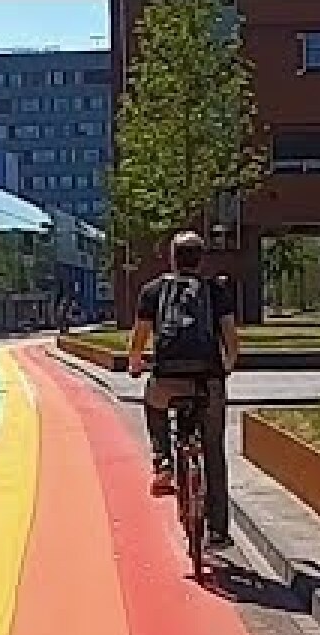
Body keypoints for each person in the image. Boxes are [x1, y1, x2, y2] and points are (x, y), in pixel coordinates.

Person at [127, 231, 241, 552]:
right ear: (201, 259)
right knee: (213, 449)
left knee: (153, 401)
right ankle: (218, 531)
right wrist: (225, 368)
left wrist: (136, 364)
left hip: (167, 377)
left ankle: (162, 460)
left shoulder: (152, 291)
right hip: (208, 380)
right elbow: (231, 341)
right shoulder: (216, 291)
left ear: (172, 258)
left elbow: (138, 342)